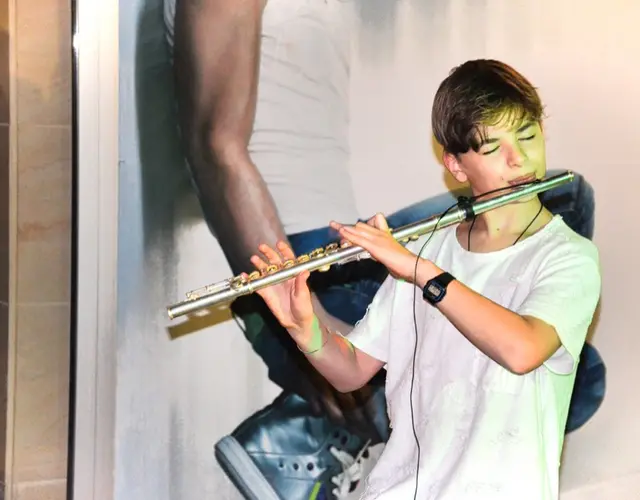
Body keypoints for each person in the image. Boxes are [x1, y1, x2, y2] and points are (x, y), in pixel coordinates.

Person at [164, 0, 605, 498]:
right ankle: (309, 427)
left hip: (360, 258)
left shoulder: (561, 260)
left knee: (582, 375)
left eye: (528, 136)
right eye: (492, 147)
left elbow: (523, 351)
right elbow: (214, 145)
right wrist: (303, 324)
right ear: (456, 164)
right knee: (572, 200)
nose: (519, 158)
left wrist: (418, 274)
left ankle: (313, 429)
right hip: (311, 252)